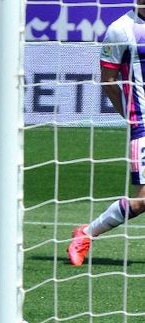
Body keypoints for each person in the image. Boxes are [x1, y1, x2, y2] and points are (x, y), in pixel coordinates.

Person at [68, 0, 145, 266]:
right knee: (143, 200)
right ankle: (86, 234)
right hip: (144, 124)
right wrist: (130, 115)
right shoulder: (121, 29)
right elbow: (108, 80)